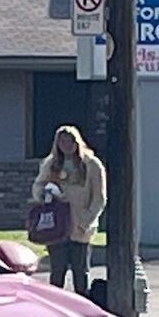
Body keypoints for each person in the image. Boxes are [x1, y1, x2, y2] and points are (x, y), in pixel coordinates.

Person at [32, 125, 106, 294]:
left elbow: (99, 197)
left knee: (81, 273)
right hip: (56, 226)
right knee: (57, 272)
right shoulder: (50, 164)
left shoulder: (92, 164)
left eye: (70, 141)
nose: (66, 145)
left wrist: (86, 220)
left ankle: (82, 308)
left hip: (80, 228)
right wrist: (46, 194)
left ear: (77, 142)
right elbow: (38, 186)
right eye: (62, 141)